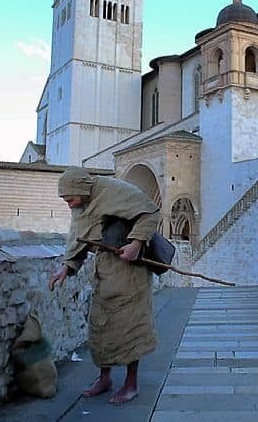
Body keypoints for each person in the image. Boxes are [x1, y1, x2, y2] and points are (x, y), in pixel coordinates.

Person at [48, 166, 160, 405]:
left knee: (131, 325)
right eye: (66, 200)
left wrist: (136, 243)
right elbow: (79, 237)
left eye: (70, 199)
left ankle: (131, 384)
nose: (70, 204)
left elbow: (150, 213)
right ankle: (105, 378)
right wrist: (66, 268)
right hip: (105, 270)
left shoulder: (113, 191)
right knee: (100, 326)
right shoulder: (81, 206)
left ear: (81, 189)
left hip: (131, 270)